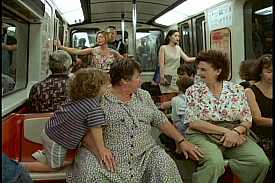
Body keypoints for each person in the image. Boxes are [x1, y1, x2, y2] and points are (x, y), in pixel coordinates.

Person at [66, 58, 204, 183]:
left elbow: (159, 119)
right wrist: (100, 151)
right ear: (124, 81)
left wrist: (181, 140)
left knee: (164, 163)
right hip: (109, 155)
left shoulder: (143, 95)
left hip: (145, 154)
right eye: (137, 77)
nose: (141, 80)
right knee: (90, 172)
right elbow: (82, 130)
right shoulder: (98, 97)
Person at [184, 50, 270, 183]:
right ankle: (219, 166)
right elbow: (194, 122)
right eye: (198, 69)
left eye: (203, 69)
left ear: (218, 71)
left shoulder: (236, 90)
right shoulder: (193, 91)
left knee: (260, 161)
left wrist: (236, 131)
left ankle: (228, 165)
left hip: (233, 131)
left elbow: (247, 120)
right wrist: (228, 132)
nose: (199, 73)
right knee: (214, 162)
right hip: (202, 133)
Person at [24, 68, 116, 173]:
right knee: (53, 168)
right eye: (105, 85)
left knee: (56, 158)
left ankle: (44, 155)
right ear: (95, 88)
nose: (108, 88)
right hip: (56, 140)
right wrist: (102, 149)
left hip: (51, 133)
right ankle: (22, 167)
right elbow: (96, 129)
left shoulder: (77, 97)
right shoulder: (92, 107)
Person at [245, 54, 272, 182]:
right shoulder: (250, 91)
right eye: (269, 72)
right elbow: (258, 119)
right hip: (261, 137)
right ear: (260, 72)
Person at [57, 31, 122, 72]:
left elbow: (122, 62)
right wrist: (61, 47)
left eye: (101, 37)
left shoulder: (113, 52)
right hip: (96, 77)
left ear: (106, 38)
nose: (99, 39)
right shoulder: (93, 50)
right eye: (98, 38)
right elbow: (77, 51)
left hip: (108, 79)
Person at [158, 30, 195, 94]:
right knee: (168, 95)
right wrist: (162, 77)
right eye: (175, 36)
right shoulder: (163, 48)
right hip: (167, 75)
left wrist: (200, 58)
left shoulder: (178, 48)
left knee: (177, 93)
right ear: (169, 37)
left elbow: (187, 59)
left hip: (177, 75)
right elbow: (161, 64)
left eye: (178, 36)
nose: (177, 38)